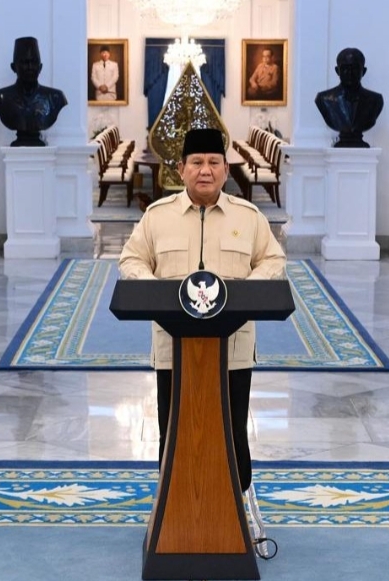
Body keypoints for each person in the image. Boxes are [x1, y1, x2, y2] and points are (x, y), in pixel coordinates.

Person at [119, 127, 286, 498]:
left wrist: (246, 292)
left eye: (213, 162)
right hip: (173, 350)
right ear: (181, 169)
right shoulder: (157, 216)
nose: (205, 170)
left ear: (226, 169)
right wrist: (155, 290)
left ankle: (233, 508)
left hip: (233, 350)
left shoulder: (249, 217)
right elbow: (131, 258)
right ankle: (175, 507)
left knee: (231, 432)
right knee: (174, 433)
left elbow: (273, 259)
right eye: (196, 162)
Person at [0, 36, 68, 146]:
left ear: (40, 67)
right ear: (13, 67)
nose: (30, 67)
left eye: (34, 62)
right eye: (25, 62)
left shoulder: (55, 98)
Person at [314, 47, 384, 148]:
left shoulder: (375, 100)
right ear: (337, 71)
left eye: (355, 68)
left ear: (363, 71)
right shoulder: (324, 99)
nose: (350, 73)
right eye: (345, 68)